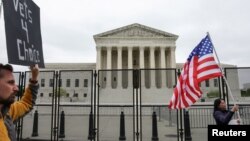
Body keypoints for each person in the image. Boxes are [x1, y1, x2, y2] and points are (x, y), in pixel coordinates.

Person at [0, 63, 39, 141]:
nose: (16, 89)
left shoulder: (7, 112)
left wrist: (34, 79)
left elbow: (26, 103)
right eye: (10, 83)